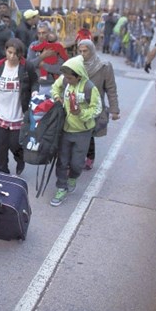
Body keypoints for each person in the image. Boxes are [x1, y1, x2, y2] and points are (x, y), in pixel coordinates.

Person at [49, 56, 102, 206]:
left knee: (77, 163)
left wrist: (81, 113)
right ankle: (61, 188)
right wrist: (57, 97)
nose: (67, 80)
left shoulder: (90, 87)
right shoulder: (65, 80)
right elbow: (55, 87)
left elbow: (97, 108)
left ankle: (73, 177)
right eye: (65, 77)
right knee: (62, 161)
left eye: (70, 78)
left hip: (82, 132)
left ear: (79, 75)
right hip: (65, 130)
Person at [0, 38, 38, 176]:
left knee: (15, 145)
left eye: (16, 54)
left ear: (21, 54)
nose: (12, 56)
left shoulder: (27, 66)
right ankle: (3, 171)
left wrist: (34, 91)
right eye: (9, 52)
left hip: (18, 114)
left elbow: (35, 81)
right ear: (5, 51)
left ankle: (20, 159)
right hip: (0, 113)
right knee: (1, 146)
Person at [77, 40, 120, 170]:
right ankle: (76, 159)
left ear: (92, 50)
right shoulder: (76, 64)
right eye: (80, 51)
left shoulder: (104, 66)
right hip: (78, 105)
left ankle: (89, 157)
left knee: (89, 133)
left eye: (85, 51)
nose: (82, 54)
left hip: (94, 107)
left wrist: (114, 110)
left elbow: (111, 89)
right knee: (76, 133)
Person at [27, 24, 67, 95]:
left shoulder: (57, 47)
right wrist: (41, 57)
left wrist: (43, 65)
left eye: (44, 33)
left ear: (49, 33)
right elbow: (29, 66)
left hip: (54, 85)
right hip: (37, 86)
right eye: (39, 33)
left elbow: (61, 69)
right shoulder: (33, 46)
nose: (41, 36)